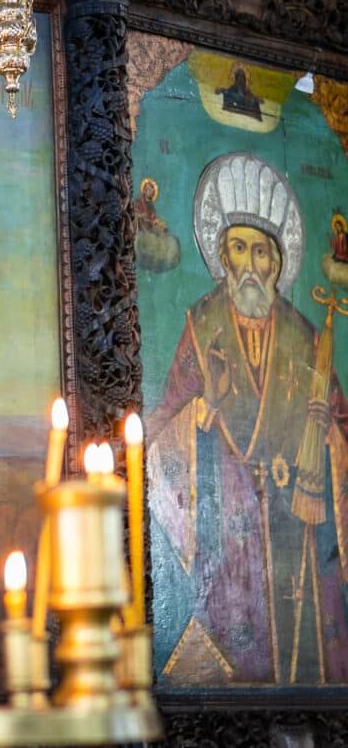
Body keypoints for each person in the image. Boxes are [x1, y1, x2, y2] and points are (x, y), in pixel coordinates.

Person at [148, 153, 348, 685]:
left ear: (277, 264)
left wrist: (327, 434)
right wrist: (205, 408)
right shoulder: (203, 324)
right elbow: (165, 426)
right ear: (222, 256)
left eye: (261, 251)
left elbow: (342, 428)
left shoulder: (307, 337)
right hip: (229, 527)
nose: (250, 264)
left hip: (299, 526)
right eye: (239, 248)